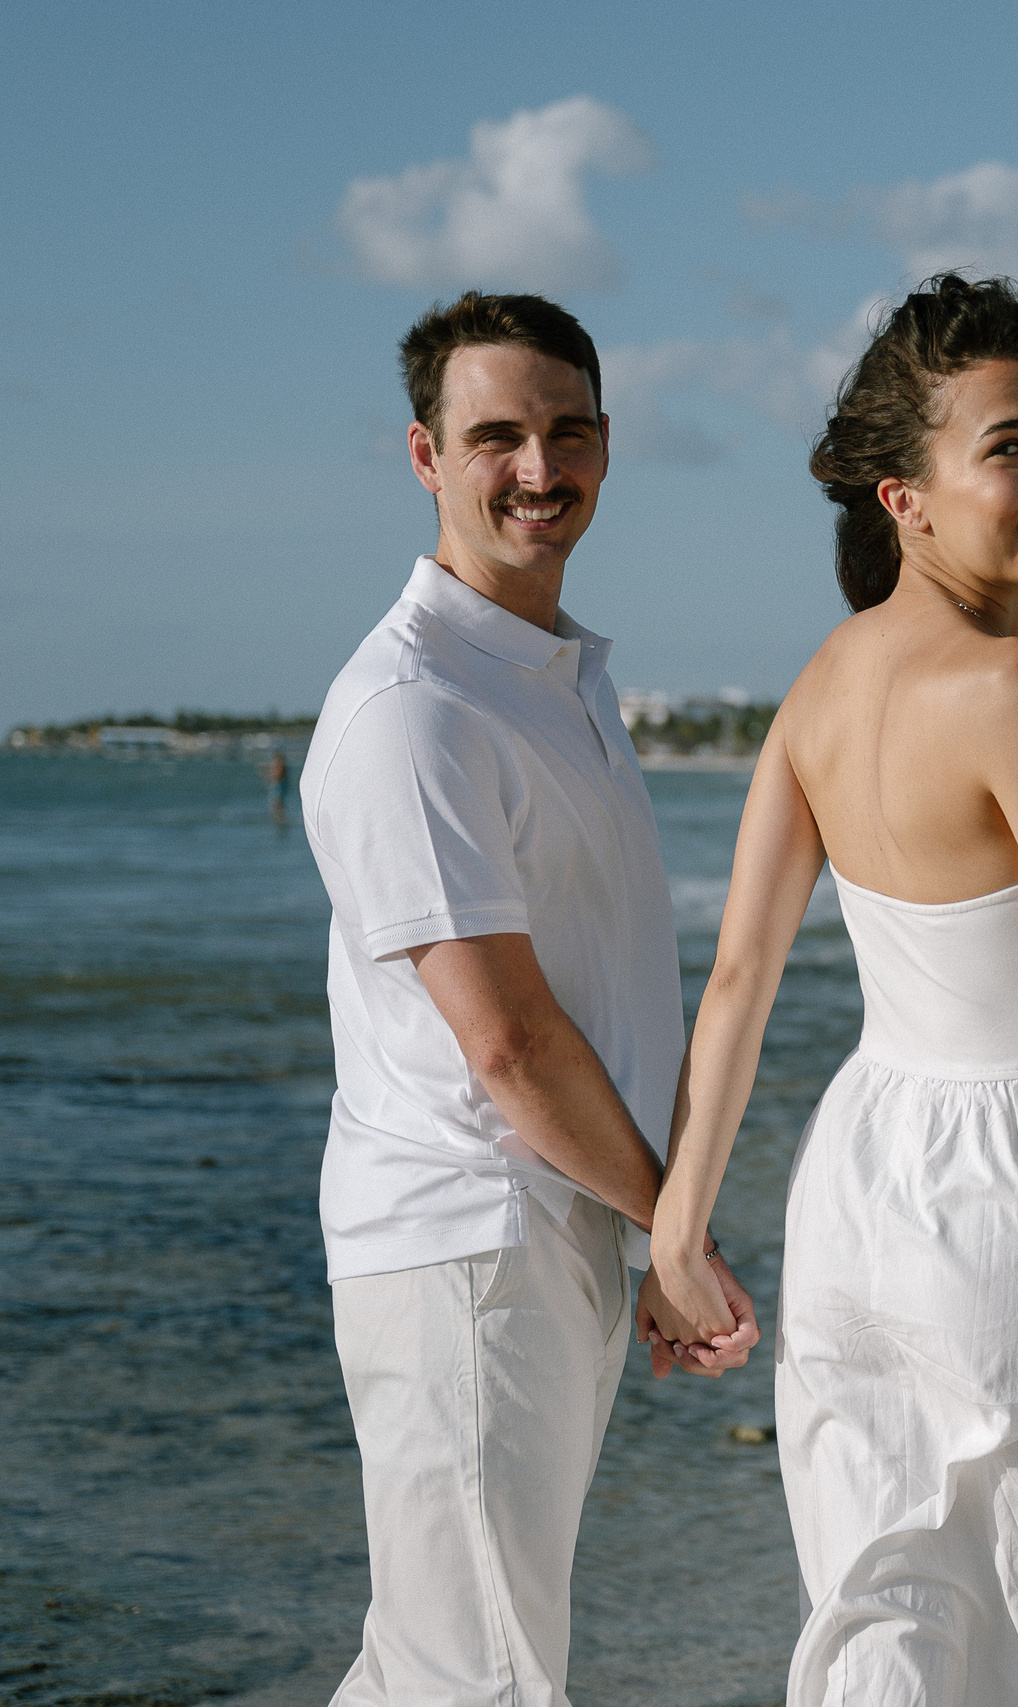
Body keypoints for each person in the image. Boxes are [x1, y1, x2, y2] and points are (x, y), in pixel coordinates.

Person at [639, 274, 1018, 1707]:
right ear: (901, 497)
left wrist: (680, 1235)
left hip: (862, 1187)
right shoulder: (1012, 692)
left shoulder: (819, 683)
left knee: (883, 1618)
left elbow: (737, 978)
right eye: (1007, 447)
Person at [301, 291, 757, 1706]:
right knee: (482, 1679)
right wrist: (670, 1234)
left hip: (535, 1233)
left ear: (610, 449)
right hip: (468, 1241)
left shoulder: (555, 679)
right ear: (427, 458)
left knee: (435, 1668)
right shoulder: (414, 708)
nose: (538, 468)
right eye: (495, 435)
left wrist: (646, 1234)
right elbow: (504, 1040)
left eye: (566, 432)